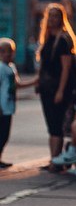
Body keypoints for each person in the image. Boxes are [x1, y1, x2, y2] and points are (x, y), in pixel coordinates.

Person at [35, 3, 76, 171]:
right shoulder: (47, 38)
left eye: (56, 16)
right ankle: (54, 159)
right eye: (51, 15)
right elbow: (44, 65)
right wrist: (38, 81)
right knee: (51, 125)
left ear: (61, 19)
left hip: (58, 88)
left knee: (56, 124)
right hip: (46, 88)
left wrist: (61, 91)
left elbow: (66, 68)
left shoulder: (63, 40)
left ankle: (56, 162)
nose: (53, 19)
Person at [0, 38, 37, 168]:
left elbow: (17, 85)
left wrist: (34, 82)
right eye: (3, 51)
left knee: (4, 135)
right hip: (2, 107)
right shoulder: (0, 68)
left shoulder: (11, 67)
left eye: (10, 51)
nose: (7, 54)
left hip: (9, 106)